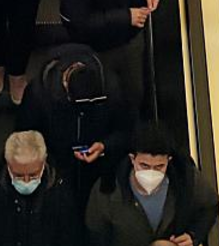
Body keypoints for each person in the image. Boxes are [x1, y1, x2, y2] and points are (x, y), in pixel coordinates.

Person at [15, 43, 135, 200]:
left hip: (99, 171)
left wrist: (105, 146)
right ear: (65, 85)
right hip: (55, 167)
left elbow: (127, 130)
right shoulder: (39, 94)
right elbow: (25, 136)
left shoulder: (112, 88)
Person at [86, 123, 219, 246]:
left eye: (159, 166)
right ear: (133, 159)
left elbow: (210, 206)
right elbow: (96, 235)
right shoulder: (107, 189)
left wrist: (194, 235)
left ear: (169, 160)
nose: (151, 172)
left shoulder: (185, 179)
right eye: (144, 165)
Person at [0, 131, 81, 246]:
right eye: (19, 176)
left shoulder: (61, 194)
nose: (26, 181)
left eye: (33, 175)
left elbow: (70, 240)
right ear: (8, 164)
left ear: (43, 162)